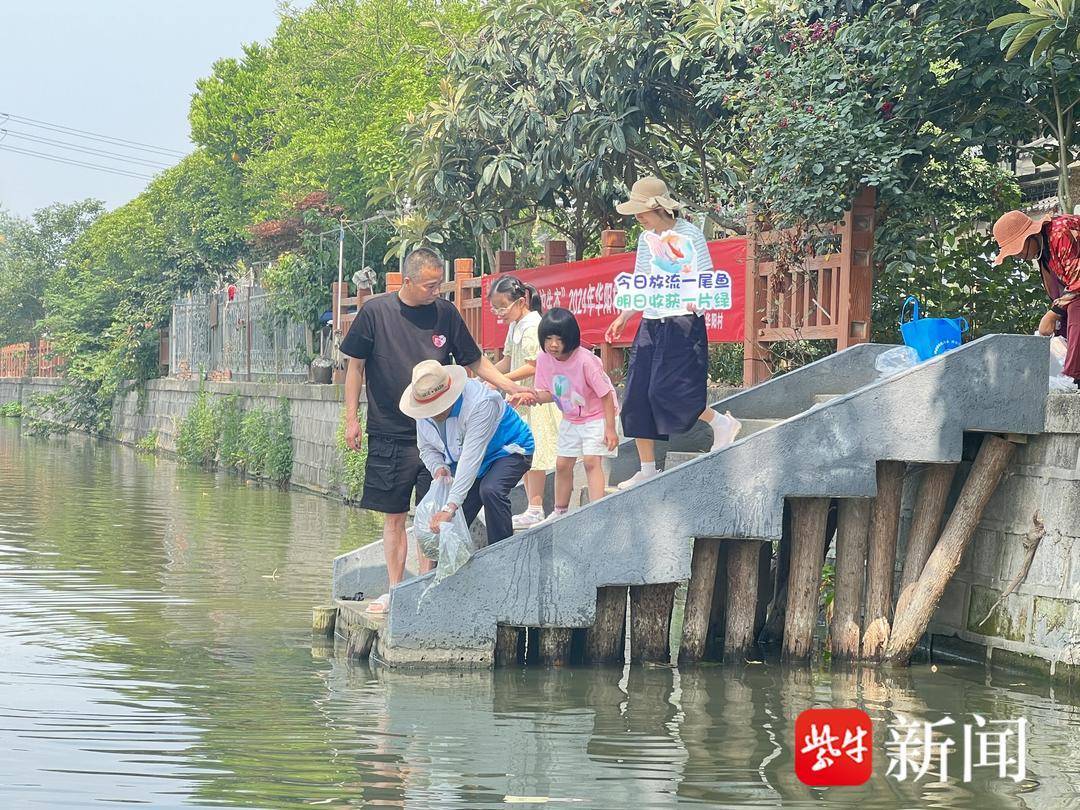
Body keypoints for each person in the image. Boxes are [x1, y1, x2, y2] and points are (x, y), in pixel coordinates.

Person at [341, 247, 527, 614]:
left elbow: (473, 360)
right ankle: (395, 590)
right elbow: (355, 367)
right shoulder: (375, 312)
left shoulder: (445, 313)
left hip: (441, 438)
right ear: (407, 280)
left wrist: (509, 386)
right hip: (389, 431)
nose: (435, 292)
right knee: (394, 515)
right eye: (429, 286)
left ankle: (423, 588)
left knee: (431, 514)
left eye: (438, 285)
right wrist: (351, 418)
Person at [604, 176, 741, 488]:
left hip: (682, 322)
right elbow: (642, 280)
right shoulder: (644, 240)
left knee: (667, 391)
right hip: (651, 321)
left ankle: (721, 423)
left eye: (643, 211)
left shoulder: (689, 235)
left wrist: (693, 303)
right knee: (637, 396)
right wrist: (625, 316)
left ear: (660, 207)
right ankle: (647, 468)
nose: (638, 217)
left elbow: (705, 278)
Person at [401, 360, 534, 546]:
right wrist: (438, 468)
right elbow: (426, 448)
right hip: (463, 459)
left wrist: (450, 506)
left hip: (508, 449)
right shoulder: (423, 409)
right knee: (448, 525)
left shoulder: (480, 403)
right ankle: (441, 570)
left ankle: (502, 550)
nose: (434, 413)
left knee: (490, 490)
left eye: (438, 407)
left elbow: (471, 459)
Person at [522, 308, 618, 521]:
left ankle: (597, 511)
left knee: (592, 461)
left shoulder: (585, 360)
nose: (553, 344)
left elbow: (606, 395)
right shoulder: (544, 359)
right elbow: (550, 394)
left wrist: (610, 429)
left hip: (597, 415)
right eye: (548, 339)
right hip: (571, 417)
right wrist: (531, 396)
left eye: (559, 339)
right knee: (562, 464)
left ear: (570, 339)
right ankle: (560, 511)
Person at [489, 275, 562, 529]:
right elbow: (508, 359)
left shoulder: (533, 326)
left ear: (521, 302)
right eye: (495, 308)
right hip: (518, 397)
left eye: (502, 307)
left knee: (536, 451)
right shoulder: (516, 325)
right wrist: (486, 374)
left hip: (534, 397)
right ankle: (532, 507)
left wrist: (500, 380)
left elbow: (533, 365)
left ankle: (535, 506)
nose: (499, 313)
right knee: (524, 449)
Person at [993, 209, 1080, 382]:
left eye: (1018, 251)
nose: (1019, 257)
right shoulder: (1043, 251)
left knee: (1076, 308)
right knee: (1062, 325)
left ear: (1029, 237)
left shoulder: (1059, 233)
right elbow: (1059, 293)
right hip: (1072, 293)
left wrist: (1052, 314)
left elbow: (1077, 281)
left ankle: (1073, 376)